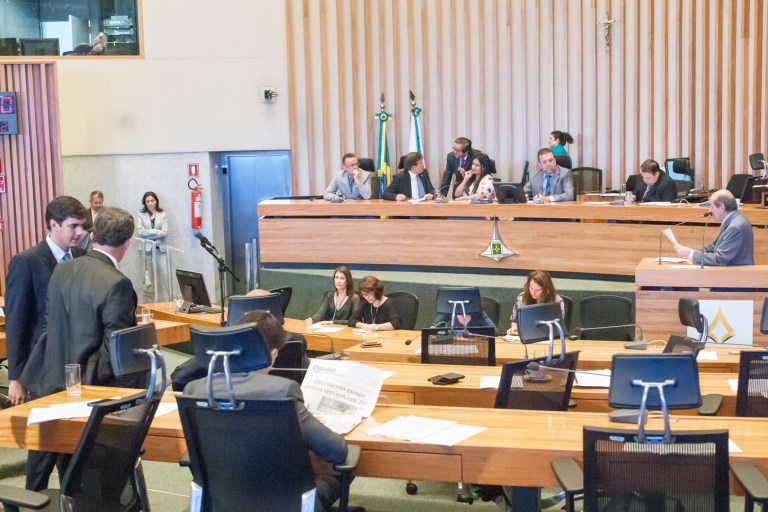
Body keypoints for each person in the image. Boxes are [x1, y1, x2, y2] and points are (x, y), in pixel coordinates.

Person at [18, 207, 137, 491]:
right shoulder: (117, 283)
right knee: (82, 479)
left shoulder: (62, 268)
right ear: (128, 243)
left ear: (94, 234)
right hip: (86, 393)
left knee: (39, 474)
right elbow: (115, 350)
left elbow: (50, 324)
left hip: (48, 382)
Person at [184, 310, 349, 512]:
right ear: (273, 355)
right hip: (288, 505)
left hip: (219, 503)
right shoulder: (282, 391)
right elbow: (337, 451)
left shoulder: (195, 390)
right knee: (341, 469)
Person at [5, 196, 87, 408]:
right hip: (42, 366)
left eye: (82, 226)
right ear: (54, 224)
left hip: (78, 363)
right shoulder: (26, 262)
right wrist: (17, 377)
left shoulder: (82, 257)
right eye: (73, 226)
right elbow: (16, 323)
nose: (80, 232)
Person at [674, 189, 755, 266]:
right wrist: (693, 254)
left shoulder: (735, 227)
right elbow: (715, 245)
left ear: (721, 207)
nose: (710, 211)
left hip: (737, 275)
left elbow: (720, 259)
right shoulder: (734, 219)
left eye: (712, 207)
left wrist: (690, 253)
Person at [507, 270, 565, 336]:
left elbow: (557, 326)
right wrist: (514, 328)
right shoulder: (522, 298)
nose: (533, 292)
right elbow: (515, 321)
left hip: (548, 337)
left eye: (537, 290)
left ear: (547, 290)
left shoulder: (557, 301)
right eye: (531, 288)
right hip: (526, 337)